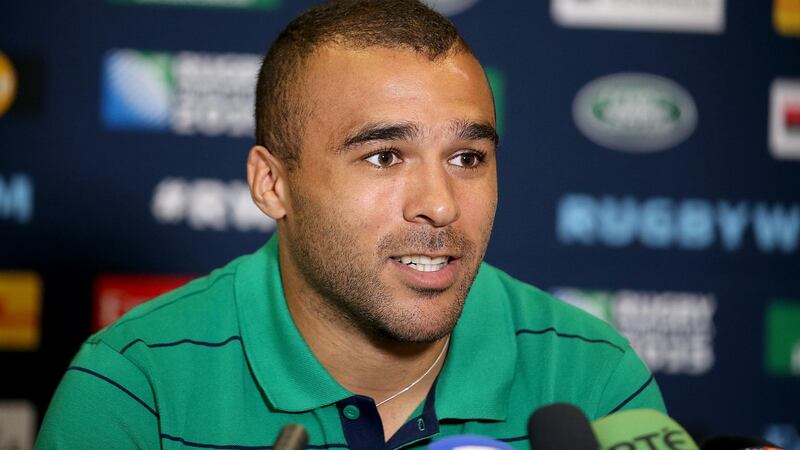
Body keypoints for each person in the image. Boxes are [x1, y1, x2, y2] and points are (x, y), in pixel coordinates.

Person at [37, 0, 666, 448]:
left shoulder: (592, 379)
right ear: (272, 184)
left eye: (467, 158)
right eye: (385, 157)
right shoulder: (134, 387)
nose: (441, 206)